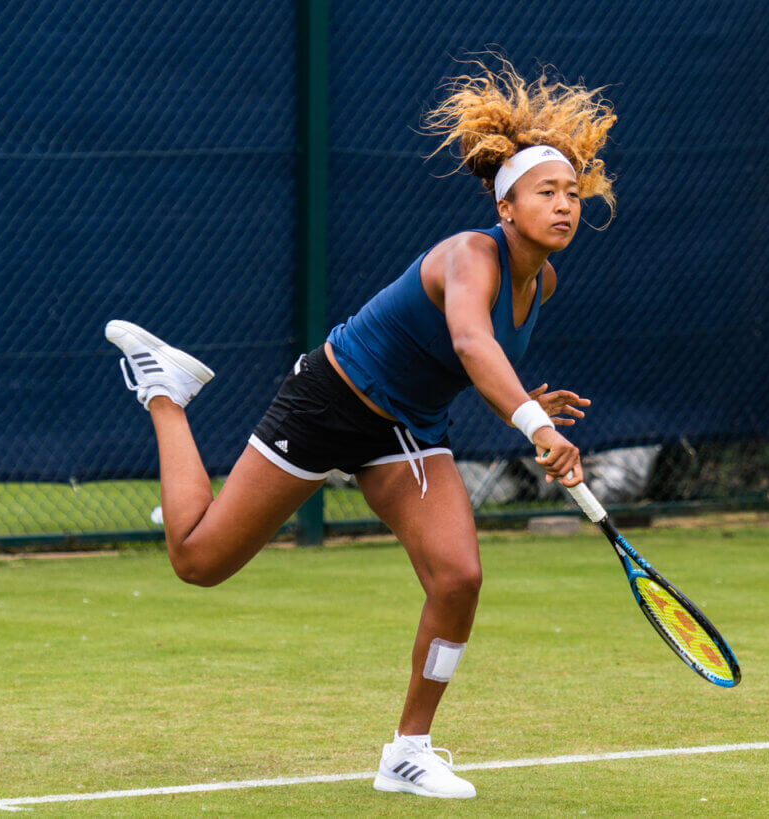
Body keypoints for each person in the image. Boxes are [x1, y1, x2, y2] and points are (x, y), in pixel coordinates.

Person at [104, 57, 616, 800]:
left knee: (459, 576)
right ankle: (166, 392)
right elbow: (472, 344)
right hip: (330, 402)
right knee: (197, 560)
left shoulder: (546, 281)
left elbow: (464, 360)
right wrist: (533, 422)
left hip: (406, 428)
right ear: (506, 207)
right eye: (547, 192)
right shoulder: (471, 255)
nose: (565, 204)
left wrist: (525, 401)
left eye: (572, 192)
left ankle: (408, 749)